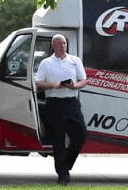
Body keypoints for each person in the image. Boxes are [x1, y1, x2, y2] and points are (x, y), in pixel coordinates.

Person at [35, 34, 87, 185]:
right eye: (59, 44)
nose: (62, 46)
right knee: (58, 141)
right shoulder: (46, 63)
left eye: (64, 43)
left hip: (71, 102)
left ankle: (66, 166)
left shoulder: (74, 60)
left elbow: (83, 80)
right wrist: (52, 85)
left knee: (80, 136)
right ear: (53, 46)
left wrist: (74, 86)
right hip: (54, 104)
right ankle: (62, 176)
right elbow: (38, 83)